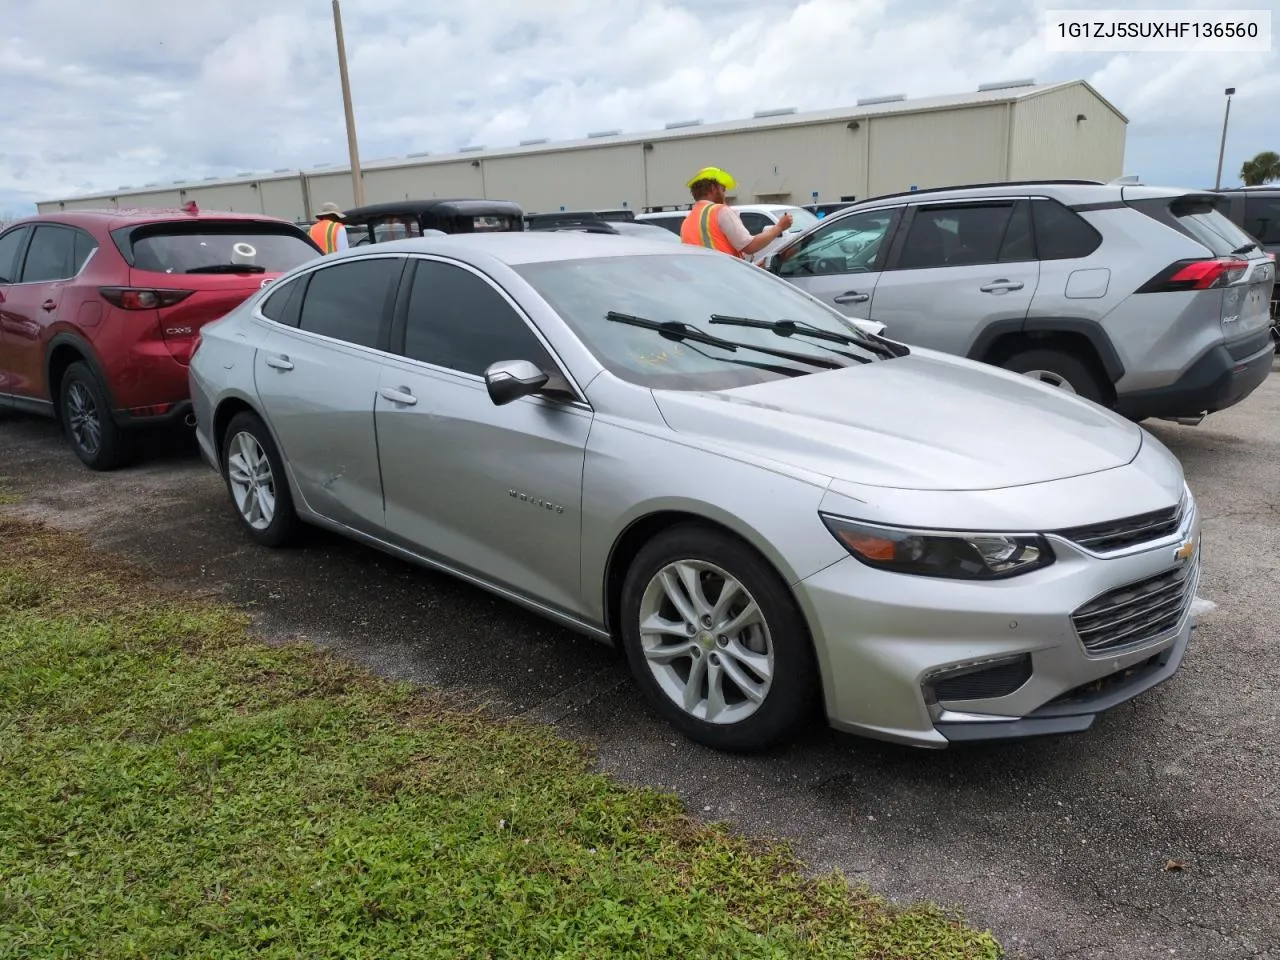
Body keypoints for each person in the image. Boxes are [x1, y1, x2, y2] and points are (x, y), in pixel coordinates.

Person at [679, 167, 792, 260]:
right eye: (723, 189)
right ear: (713, 188)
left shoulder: (687, 221)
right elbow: (750, 246)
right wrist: (779, 227)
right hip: (725, 279)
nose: (724, 195)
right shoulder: (719, 211)